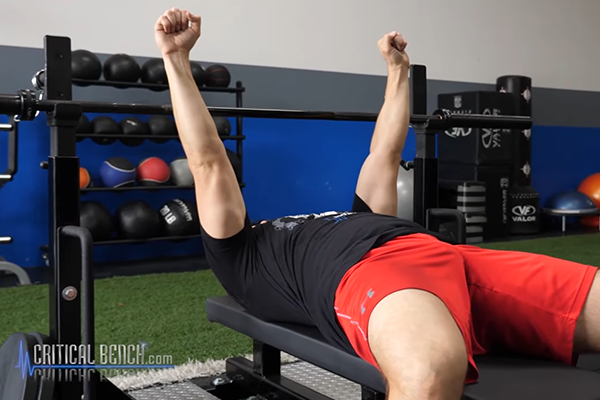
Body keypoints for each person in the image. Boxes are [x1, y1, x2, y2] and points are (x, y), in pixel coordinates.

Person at [155, 8, 600, 400]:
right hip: (370, 274)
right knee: (429, 372)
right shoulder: (240, 257)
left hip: (452, 259)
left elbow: (384, 153)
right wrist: (176, 59)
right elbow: (208, 161)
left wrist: (397, 71)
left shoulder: (354, 218)